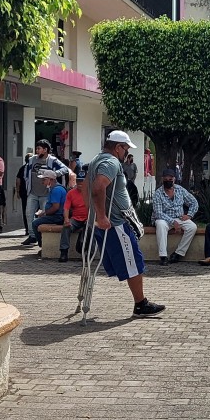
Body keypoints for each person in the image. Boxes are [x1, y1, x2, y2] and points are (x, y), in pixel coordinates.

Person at [88, 130, 165, 317]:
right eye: (126, 148)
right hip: (114, 224)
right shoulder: (111, 162)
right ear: (117, 148)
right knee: (134, 262)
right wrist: (101, 217)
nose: (127, 152)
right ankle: (141, 304)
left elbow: (87, 188)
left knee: (131, 261)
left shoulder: (96, 160)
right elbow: (98, 188)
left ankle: (141, 303)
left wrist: (92, 216)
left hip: (107, 222)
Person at [22, 139, 70, 246]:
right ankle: (32, 236)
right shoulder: (31, 160)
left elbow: (65, 169)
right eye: (36, 148)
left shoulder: (52, 160)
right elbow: (26, 172)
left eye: (39, 149)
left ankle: (43, 239)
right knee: (29, 213)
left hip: (46, 194)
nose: (37, 151)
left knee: (45, 216)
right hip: (33, 192)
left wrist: (55, 173)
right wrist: (27, 182)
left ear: (45, 149)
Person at [152, 168, 199, 265]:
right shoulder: (158, 193)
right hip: (164, 218)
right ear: (162, 179)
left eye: (170, 179)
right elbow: (158, 213)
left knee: (192, 227)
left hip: (179, 217)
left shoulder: (180, 189)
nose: (168, 181)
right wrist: (173, 222)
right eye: (166, 179)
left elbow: (193, 202)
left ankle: (178, 253)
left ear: (174, 179)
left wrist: (189, 215)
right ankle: (163, 256)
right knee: (160, 225)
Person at [30, 169, 67, 253]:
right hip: (57, 215)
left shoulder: (56, 190)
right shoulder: (55, 189)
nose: (42, 182)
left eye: (44, 180)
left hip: (58, 216)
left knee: (35, 223)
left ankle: (42, 245)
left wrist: (45, 213)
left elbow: (55, 207)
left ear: (50, 180)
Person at [59, 174, 89, 262]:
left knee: (90, 228)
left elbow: (95, 208)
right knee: (66, 227)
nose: (80, 183)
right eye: (78, 181)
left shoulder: (91, 192)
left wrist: (90, 218)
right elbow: (66, 208)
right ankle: (64, 252)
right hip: (76, 218)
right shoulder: (71, 193)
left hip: (88, 218)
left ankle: (87, 251)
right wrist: (66, 219)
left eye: (82, 181)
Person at [15, 153, 33, 236]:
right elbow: (18, 181)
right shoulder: (33, 168)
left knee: (26, 211)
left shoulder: (22, 168)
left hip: (26, 193)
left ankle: (28, 229)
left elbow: (18, 181)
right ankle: (30, 229)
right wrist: (18, 191)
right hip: (29, 193)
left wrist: (18, 191)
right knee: (32, 211)